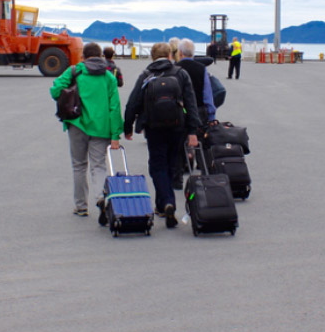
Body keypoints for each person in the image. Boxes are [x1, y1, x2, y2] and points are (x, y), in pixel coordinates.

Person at [123, 42, 201, 228]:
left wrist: (128, 127)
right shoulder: (181, 74)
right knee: (172, 163)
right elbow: (191, 104)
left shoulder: (146, 75)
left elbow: (133, 103)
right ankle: (162, 205)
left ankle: (167, 202)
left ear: (152, 56)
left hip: (154, 127)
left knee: (157, 166)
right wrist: (192, 131)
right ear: (170, 56)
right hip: (177, 128)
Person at [50, 42, 122, 222]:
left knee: (79, 165)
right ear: (101, 56)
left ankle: (81, 206)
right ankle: (100, 196)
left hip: (77, 124)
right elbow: (115, 108)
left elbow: (55, 90)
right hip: (101, 127)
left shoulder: (75, 71)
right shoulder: (108, 77)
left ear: (83, 56)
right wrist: (115, 135)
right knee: (98, 166)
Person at [173, 38, 218, 188]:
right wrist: (211, 115)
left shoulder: (175, 68)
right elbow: (207, 94)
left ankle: (178, 179)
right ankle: (205, 176)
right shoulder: (201, 68)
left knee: (179, 144)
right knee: (201, 143)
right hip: (199, 110)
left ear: (179, 53)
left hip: (180, 111)